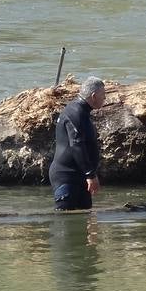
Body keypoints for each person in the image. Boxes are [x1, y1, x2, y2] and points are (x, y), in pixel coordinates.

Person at [48, 76, 107, 211]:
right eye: (103, 95)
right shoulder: (75, 112)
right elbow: (77, 145)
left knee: (85, 219)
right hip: (66, 176)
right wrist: (90, 175)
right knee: (66, 222)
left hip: (80, 176)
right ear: (93, 95)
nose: (105, 99)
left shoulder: (83, 113)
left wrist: (90, 174)